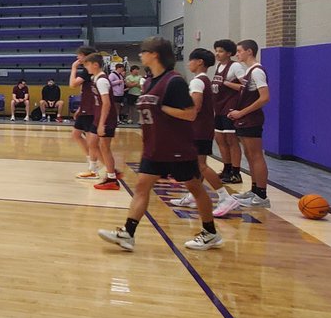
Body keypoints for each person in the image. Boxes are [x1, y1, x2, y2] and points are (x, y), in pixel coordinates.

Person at [99, 36, 222, 252]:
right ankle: (128, 233)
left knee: (195, 187)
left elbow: (191, 113)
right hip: (155, 147)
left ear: (154, 54)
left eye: (144, 51)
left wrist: (162, 108)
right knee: (141, 186)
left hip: (177, 147)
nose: (140, 55)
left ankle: (210, 232)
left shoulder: (174, 81)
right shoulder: (148, 81)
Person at [170, 48, 234, 213]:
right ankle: (193, 195)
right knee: (197, 165)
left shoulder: (198, 81)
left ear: (199, 62)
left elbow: (195, 107)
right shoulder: (205, 80)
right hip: (203, 128)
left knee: (201, 165)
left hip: (198, 129)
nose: (188, 63)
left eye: (190, 60)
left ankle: (225, 197)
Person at [220, 38, 271, 212]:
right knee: (249, 156)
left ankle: (262, 195)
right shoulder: (249, 71)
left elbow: (264, 97)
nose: (237, 54)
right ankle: (254, 190)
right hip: (243, 118)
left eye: (240, 51)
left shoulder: (257, 71)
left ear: (249, 51)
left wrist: (241, 112)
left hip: (251, 119)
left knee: (256, 155)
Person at [210, 39, 245, 185]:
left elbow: (245, 86)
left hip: (230, 107)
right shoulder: (219, 66)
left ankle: (236, 173)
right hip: (218, 108)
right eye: (216, 51)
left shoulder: (235, 66)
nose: (217, 54)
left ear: (229, 53)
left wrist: (227, 83)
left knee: (231, 141)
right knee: (220, 139)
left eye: (220, 51)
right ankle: (226, 169)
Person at [84, 53, 121, 190]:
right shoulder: (96, 78)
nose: (86, 67)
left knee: (105, 147)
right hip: (98, 117)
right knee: (92, 142)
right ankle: (109, 169)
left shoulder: (102, 81)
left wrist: (101, 124)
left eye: (87, 64)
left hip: (106, 119)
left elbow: (106, 103)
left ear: (95, 65)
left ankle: (111, 177)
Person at [70, 45, 101, 178]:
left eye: (79, 55)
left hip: (91, 109)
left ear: (85, 56)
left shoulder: (86, 71)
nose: (77, 57)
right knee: (76, 135)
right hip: (86, 107)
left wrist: (73, 68)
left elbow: (72, 84)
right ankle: (92, 161)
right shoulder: (89, 70)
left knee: (91, 140)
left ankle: (94, 168)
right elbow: (87, 92)